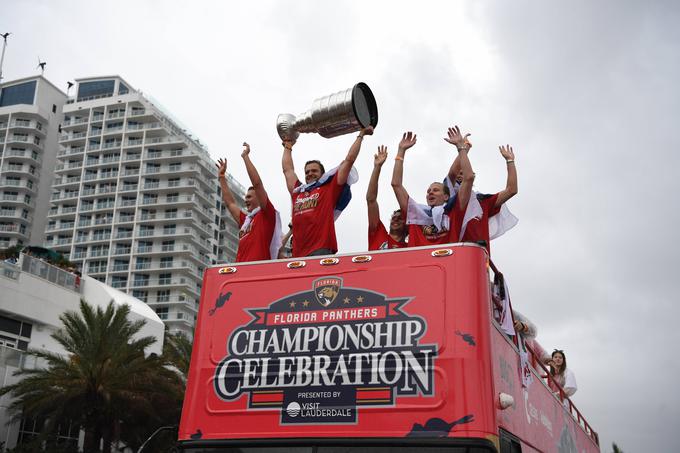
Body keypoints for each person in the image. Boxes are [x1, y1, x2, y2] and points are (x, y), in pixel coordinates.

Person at [282, 126, 373, 257]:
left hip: (320, 249)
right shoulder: (297, 191)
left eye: (314, 171)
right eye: (307, 172)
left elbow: (348, 160)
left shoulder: (328, 188)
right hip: (297, 254)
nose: (310, 174)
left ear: (322, 174)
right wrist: (288, 146)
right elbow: (288, 170)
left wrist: (361, 135)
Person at [391, 126, 474, 247]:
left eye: (435, 190)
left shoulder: (455, 210)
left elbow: (469, 178)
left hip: (447, 263)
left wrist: (461, 147)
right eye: (429, 191)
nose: (430, 192)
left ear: (446, 196)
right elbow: (396, 184)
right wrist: (401, 151)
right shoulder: (415, 212)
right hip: (419, 264)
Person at [447, 143, 518, 254]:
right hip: (453, 255)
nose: (462, 176)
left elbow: (511, 190)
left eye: (463, 173)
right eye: (459, 174)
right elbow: (452, 174)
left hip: (477, 257)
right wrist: (464, 150)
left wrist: (510, 161)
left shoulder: (483, 201)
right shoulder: (448, 198)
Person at [217, 142, 281, 262]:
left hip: (258, 271)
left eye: (249, 197)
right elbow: (230, 204)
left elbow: (257, 184)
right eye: (246, 197)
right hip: (240, 271)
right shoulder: (246, 220)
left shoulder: (267, 214)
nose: (246, 199)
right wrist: (221, 177)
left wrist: (245, 157)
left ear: (259, 197)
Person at [367, 145, 407, 250]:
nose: (395, 219)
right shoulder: (378, 234)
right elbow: (371, 200)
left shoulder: (411, 247)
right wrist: (377, 167)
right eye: (394, 217)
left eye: (400, 218)